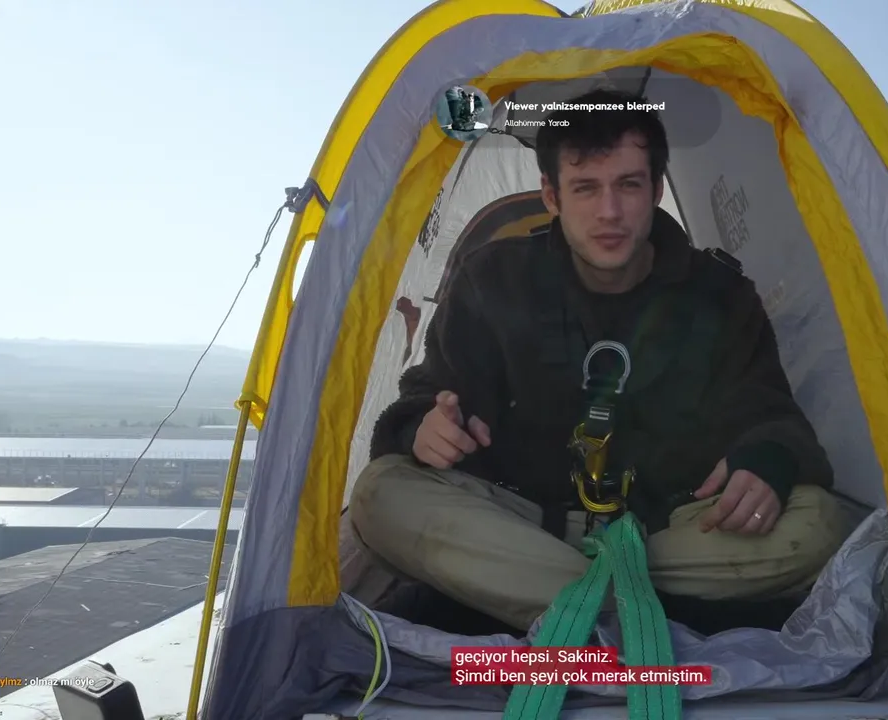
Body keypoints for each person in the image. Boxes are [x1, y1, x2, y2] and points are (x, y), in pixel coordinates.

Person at [344, 87, 859, 633]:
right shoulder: (492, 278)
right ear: (551, 196)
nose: (609, 212)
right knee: (380, 494)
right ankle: (638, 617)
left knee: (819, 522)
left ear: (655, 190)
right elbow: (430, 394)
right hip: (517, 523)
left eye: (628, 185)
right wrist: (425, 428)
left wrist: (766, 459)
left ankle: (561, 609)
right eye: (585, 187)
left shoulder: (721, 295)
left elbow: (770, 413)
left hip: (665, 536)